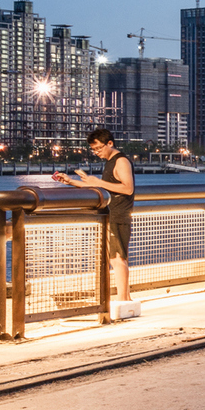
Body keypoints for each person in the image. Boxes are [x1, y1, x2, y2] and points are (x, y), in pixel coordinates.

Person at [55, 127, 139, 320]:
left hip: (120, 214)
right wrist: (71, 182)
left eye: (99, 148)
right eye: (93, 150)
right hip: (113, 214)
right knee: (115, 258)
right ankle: (125, 301)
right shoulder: (110, 162)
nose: (96, 152)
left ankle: (123, 302)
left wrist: (98, 183)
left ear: (110, 143)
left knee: (118, 259)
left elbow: (127, 188)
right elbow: (98, 184)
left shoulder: (121, 161)